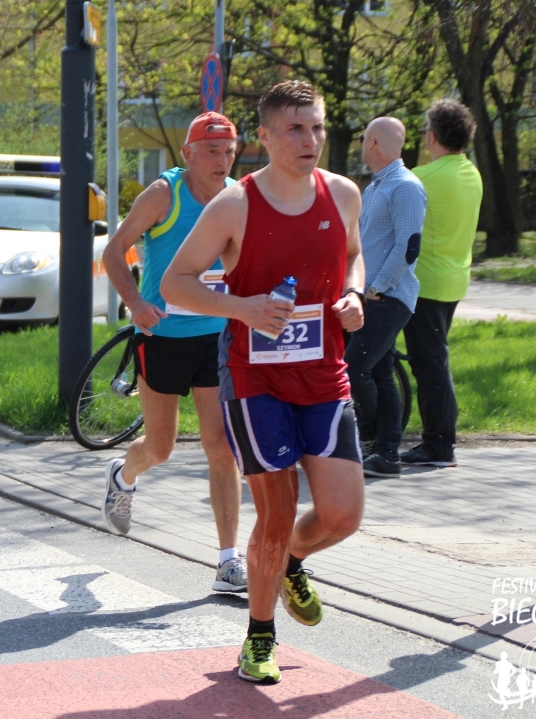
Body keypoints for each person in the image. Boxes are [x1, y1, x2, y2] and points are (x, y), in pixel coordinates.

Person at [162, 80, 366, 685]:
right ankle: (258, 635)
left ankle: (292, 562)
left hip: (324, 373)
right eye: (296, 129)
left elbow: (353, 256)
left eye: (317, 127)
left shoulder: (343, 193)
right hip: (256, 379)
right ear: (267, 137)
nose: (310, 139)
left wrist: (353, 294)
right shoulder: (235, 205)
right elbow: (176, 282)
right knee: (276, 512)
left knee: (343, 514)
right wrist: (243, 308)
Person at [100, 111, 246, 594]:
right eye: (211, 151)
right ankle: (124, 474)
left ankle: (228, 561)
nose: (221, 160)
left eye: (229, 151)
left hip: (216, 338)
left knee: (221, 447)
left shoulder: (237, 197)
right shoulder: (165, 194)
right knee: (160, 448)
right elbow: (114, 251)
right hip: (163, 336)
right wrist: (136, 303)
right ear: (188, 154)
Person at [401, 99, 482, 468]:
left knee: (430, 363)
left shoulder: (421, 177)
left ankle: (439, 445)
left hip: (426, 283)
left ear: (432, 136)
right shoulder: (472, 173)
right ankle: (437, 441)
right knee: (433, 359)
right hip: (454, 278)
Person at [344, 117, 426, 478]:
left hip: (387, 296)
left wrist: (376, 288)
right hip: (372, 295)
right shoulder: (377, 186)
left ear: (373, 142)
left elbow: (409, 247)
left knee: (355, 367)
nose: (362, 144)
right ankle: (386, 453)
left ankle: (373, 439)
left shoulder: (404, 186)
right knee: (379, 372)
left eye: (364, 138)